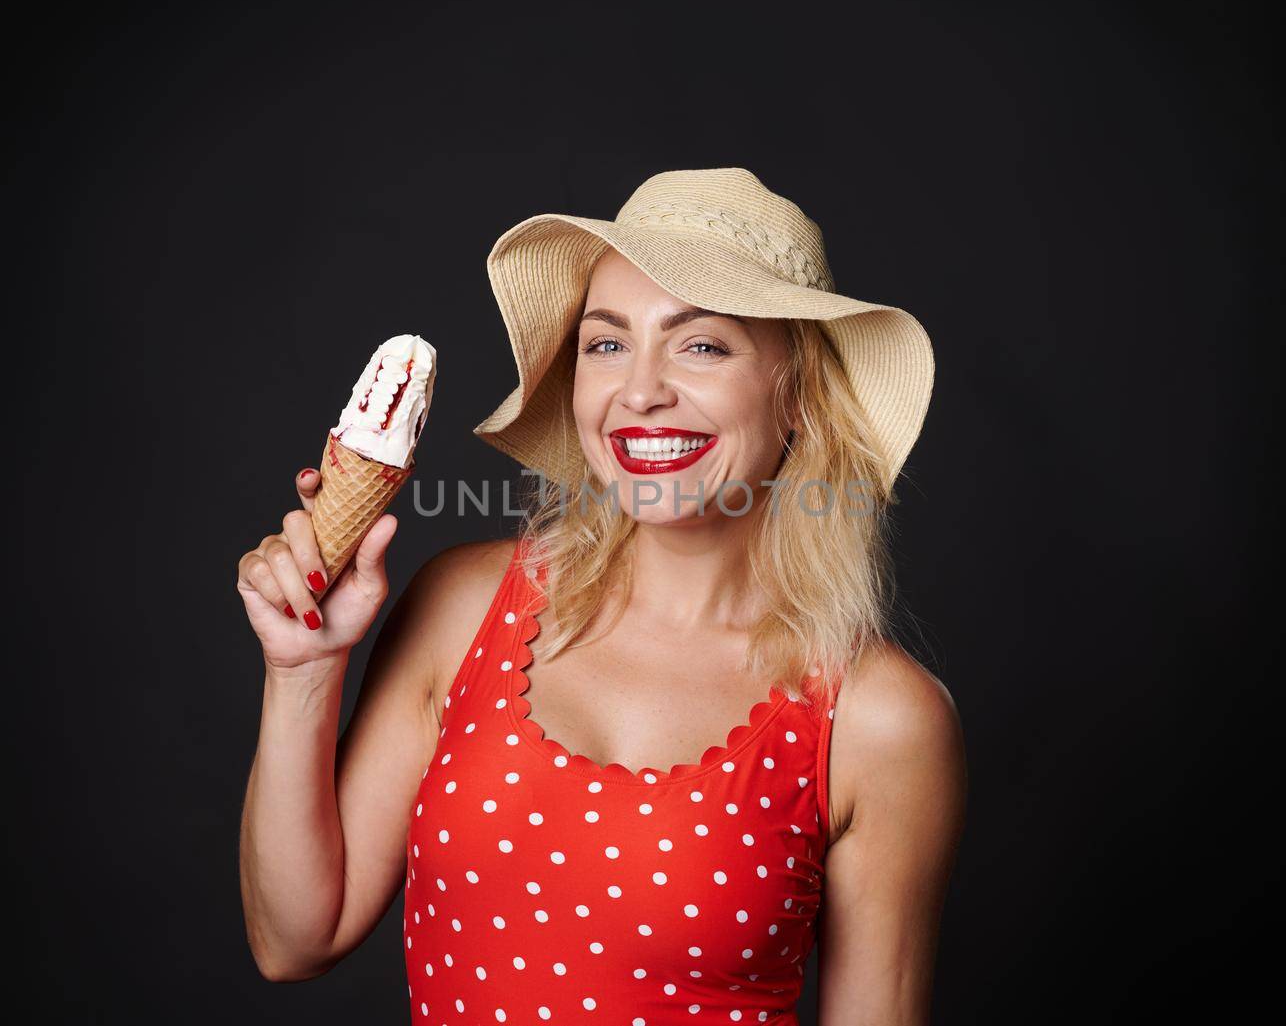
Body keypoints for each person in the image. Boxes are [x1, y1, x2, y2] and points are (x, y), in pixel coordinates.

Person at [235, 167, 966, 1024]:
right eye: (606, 343)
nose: (640, 390)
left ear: (797, 395)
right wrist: (303, 668)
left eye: (702, 345)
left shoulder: (878, 719)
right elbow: (295, 938)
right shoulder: (463, 607)